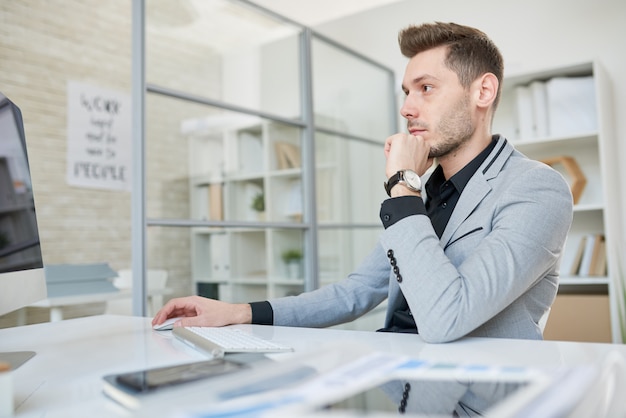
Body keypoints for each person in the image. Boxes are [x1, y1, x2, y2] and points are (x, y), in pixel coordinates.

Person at [153, 21, 573, 343]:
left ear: (483, 92)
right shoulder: (428, 190)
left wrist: (403, 186)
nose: (407, 108)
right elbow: (356, 291)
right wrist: (239, 312)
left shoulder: (536, 188)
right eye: (406, 91)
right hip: (401, 377)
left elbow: (449, 317)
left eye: (426, 88)